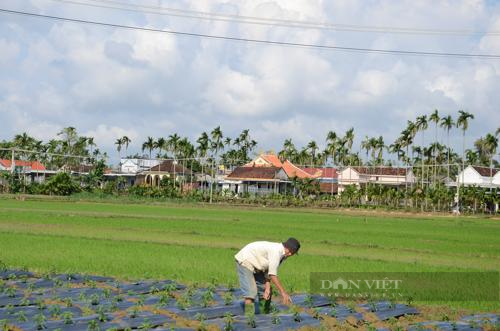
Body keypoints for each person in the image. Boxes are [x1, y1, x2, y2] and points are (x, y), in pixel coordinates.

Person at [234, 237, 300, 316]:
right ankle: (249, 317)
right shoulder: (276, 252)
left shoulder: (283, 255)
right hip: (246, 261)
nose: (290, 254)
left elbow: (269, 271)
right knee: (251, 293)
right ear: (286, 247)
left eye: (292, 253)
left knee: (265, 290)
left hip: (258, 265)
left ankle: (264, 316)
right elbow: (272, 274)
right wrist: (283, 293)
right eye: (290, 252)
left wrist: (267, 288)